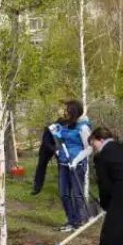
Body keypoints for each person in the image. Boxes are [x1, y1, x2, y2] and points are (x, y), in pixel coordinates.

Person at [49, 99, 92, 232]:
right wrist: (56, 143)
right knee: (64, 194)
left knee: (77, 195)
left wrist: (76, 160)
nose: (65, 112)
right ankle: (71, 221)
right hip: (63, 163)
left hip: (77, 165)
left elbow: (89, 148)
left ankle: (79, 221)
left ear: (73, 112)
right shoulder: (66, 125)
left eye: (67, 110)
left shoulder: (83, 127)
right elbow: (60, 142)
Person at [30, 122, 56, 196]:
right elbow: (46, 142)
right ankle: (37, 187)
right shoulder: (50, 128)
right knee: (41, 167)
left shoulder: (69, 125)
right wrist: (55, 150)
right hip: (46, 148)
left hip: (60, 147)